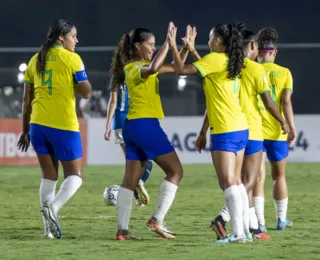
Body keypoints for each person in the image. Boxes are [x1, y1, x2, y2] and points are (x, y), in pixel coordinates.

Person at [169, 22, 251, 243]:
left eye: (210, 37)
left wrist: (177, 47)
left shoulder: (215, 60)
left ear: (217, 41)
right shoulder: (231, 61)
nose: (207, 41)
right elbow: (209, 79)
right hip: (239, 127)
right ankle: (245, 232)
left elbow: (179, 70)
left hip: (225, 129)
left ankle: (239, 234)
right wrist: (203, 132)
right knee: (236, 181)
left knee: (228, 182)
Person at [113, 22, 192, 241]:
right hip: (145, 126)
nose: (153, 49)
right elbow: (155, 68)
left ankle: (122, 231)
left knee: (129, 181)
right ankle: (156, 220)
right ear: (137, 46)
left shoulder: (142, 66)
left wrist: (183, 48)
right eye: (150, 44)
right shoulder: (133, 67)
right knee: (176, 172)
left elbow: (177, 68)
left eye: (155, 45)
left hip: (132, 127)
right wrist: (168, 43)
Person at [209, 29, 289, 240]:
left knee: (241, 181)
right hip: (252, 128)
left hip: (231, 127)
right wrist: (283, 121)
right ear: (252, 46)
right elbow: (269, 101)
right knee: (250, 181)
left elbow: (216, 99)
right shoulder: (254, 68)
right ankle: (224, 218)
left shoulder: (228, 65)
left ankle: (253, 227)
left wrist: (202, 131)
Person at [17, 19, 92, 239]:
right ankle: (54, 208)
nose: (76, 41)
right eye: (73, 36)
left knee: (49, 176)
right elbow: (86, 93)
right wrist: (77, 78)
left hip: (37, 125)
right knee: (75, 176)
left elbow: (26, 100)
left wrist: (25, 131)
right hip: (63, 124)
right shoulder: (72, 59)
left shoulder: (34, 60)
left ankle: (48, 230)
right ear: (62, 37)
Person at [252, 28, 295, 231]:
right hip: (278, 132)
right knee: (279, 177)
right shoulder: (284, 73)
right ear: (274, 51)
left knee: (257, 178)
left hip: (255, 131)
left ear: (257, 50)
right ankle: (281, 220)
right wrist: (291, 128)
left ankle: (260, 224)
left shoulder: (251, 70)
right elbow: (286, 103)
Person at [104, 76, 152, 206]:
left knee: (131, 162)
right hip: (134, 120)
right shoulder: (136, 74)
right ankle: (138, 184)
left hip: (119, 122)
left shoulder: (115, 78)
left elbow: (113, 102)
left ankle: (136, 195)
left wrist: (107, 125)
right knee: (146, 162)